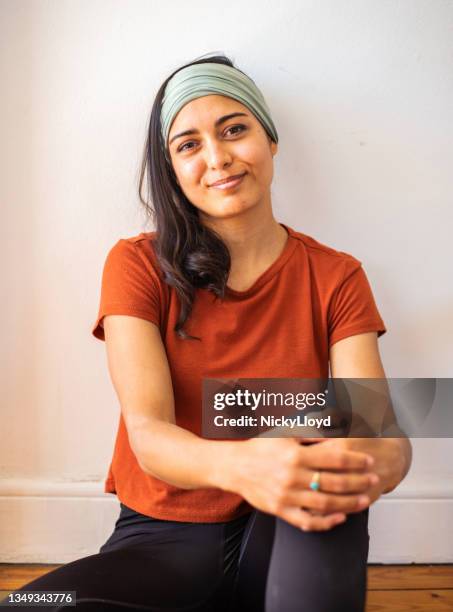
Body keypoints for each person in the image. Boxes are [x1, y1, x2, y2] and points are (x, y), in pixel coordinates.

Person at [2, 53, 412, 612]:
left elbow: (381, 431)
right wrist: (249, 465)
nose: (217, 158)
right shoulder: (137, 264)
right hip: (164, 540)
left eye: (234, 129)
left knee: (335, 444)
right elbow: (147, 433)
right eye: (188, 144)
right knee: (29, 607)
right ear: (171, 168)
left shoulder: (337, 275)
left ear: (269, 140)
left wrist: (369, 460)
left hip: (299, 520)